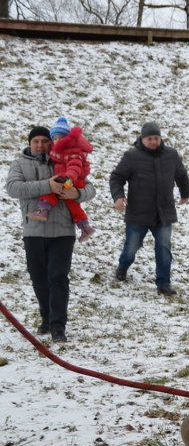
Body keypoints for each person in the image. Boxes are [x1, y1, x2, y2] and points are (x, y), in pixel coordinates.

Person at [6, 124, 97, 341]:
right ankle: (46, 318)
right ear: (29, 144)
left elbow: (90, 188)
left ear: (51, 142)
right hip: (33, 230)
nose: (40, 145)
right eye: (35, 141)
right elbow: (13, 188)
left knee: (58, 277)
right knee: (38, 277)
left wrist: (77, 193)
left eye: (44, 141)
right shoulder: (20, 164)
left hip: (63, 230)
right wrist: (47, 185)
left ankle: (58, 327)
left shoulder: (63, 158)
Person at [109, 121, 189, 296]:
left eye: (156, 138)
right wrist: (118, 196)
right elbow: (116, 177)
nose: (153, 142)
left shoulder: (171, 155)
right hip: (138, 213)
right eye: (149, 139)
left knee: (163, 248)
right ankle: (123, 267)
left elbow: (181, 175)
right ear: (142, 139)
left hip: (163, 213)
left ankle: (164, 283)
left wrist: (185, 194)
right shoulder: (132, 156)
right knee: (131, 248)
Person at [27, 117, 96, 242]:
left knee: (54, 190)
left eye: (60, 137)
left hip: (71, 179)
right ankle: (85, 226)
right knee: (71, 203)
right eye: (55, 138)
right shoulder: (59, 153)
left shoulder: (71, 151)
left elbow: (75, 167)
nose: (57, 141)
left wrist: (71, 183)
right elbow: (12, 188)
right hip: (33, 232)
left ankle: (43, 210)